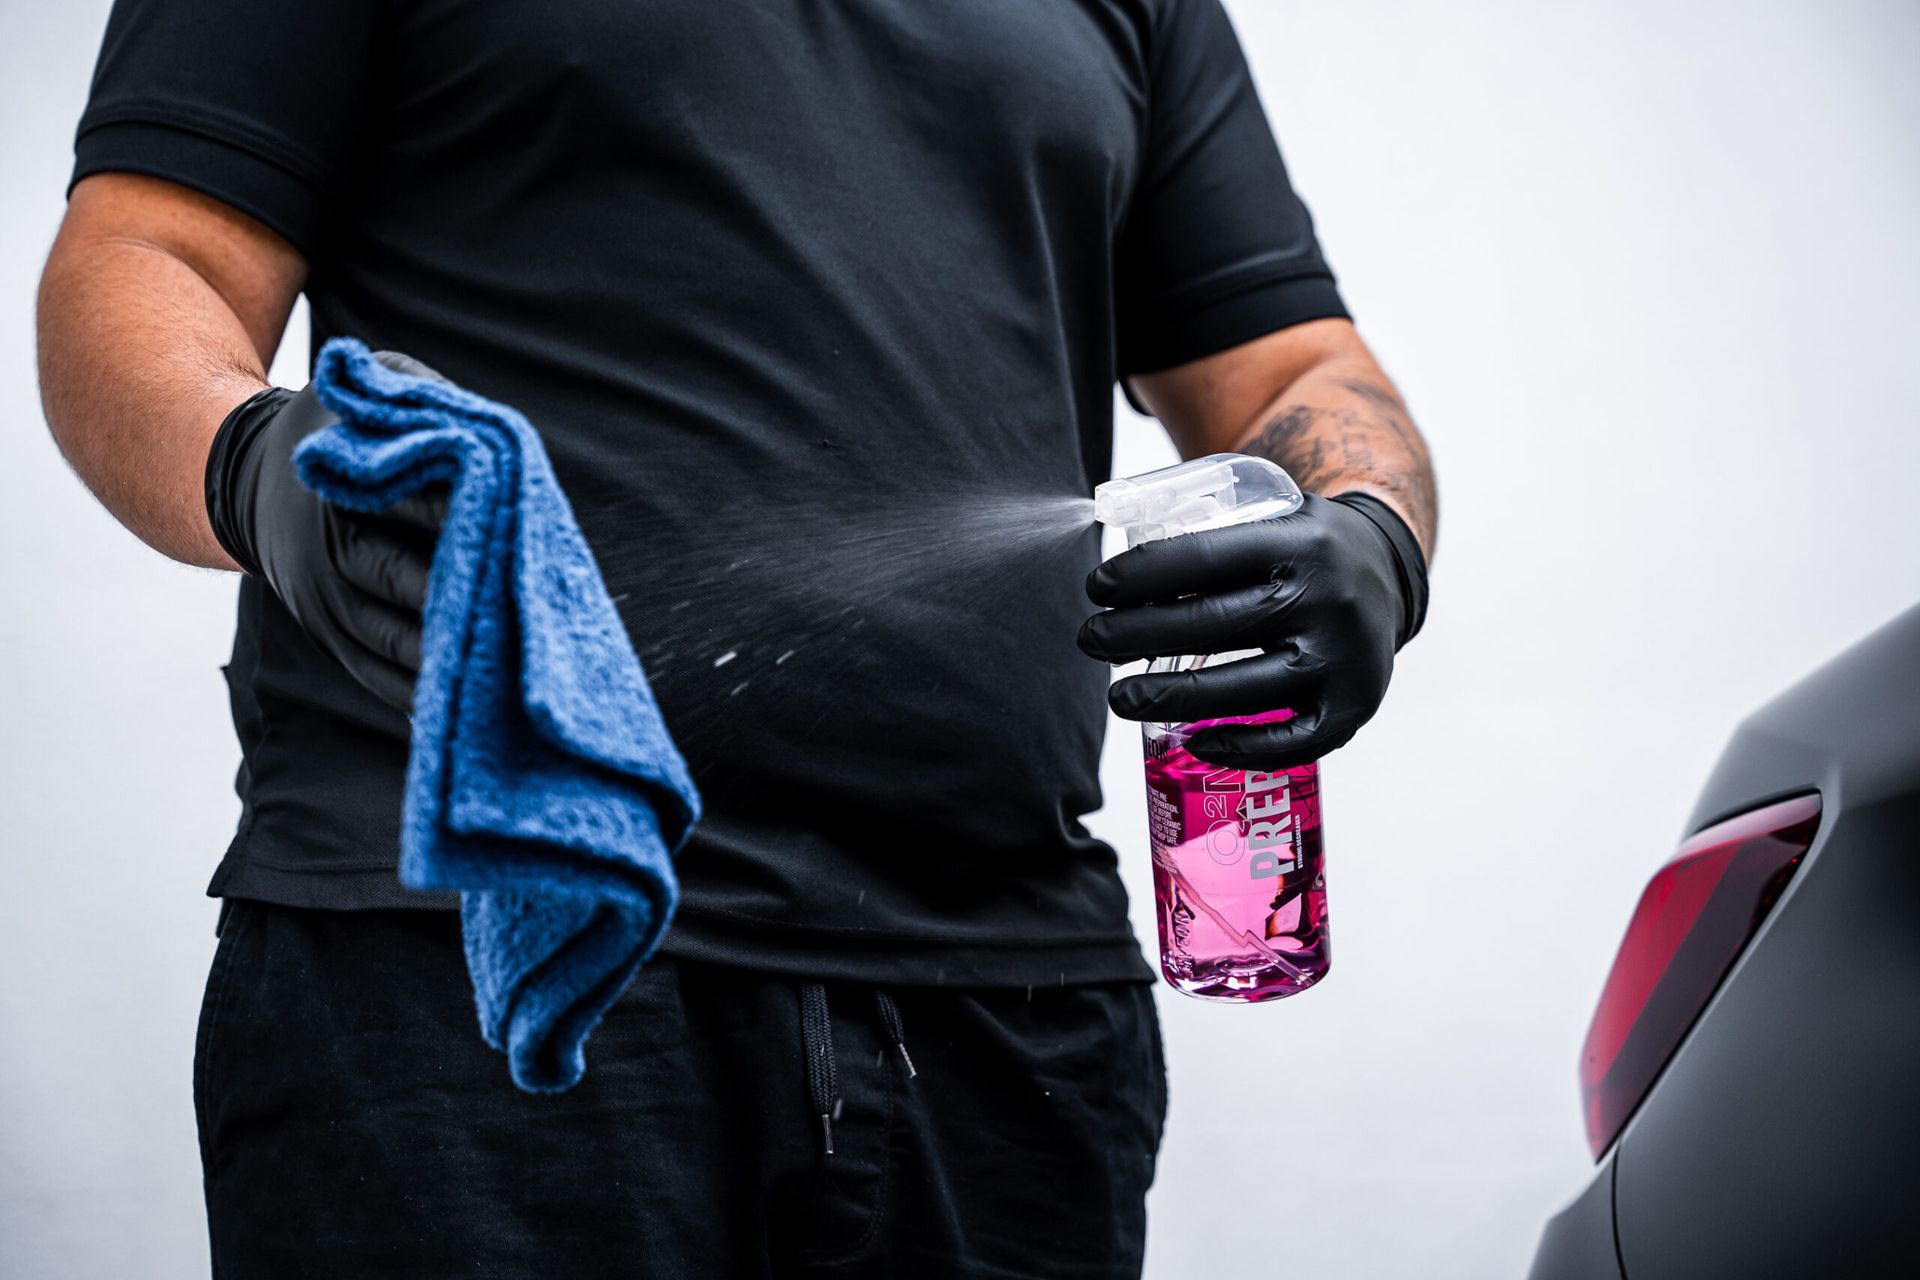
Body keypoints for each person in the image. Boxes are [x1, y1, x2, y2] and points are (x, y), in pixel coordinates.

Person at [37, 0, 1437, 1275]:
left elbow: (1297, 366)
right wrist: (256, 469)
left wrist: (1371, 533)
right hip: (466, 980)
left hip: (1014, 1004)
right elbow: (142, 260)